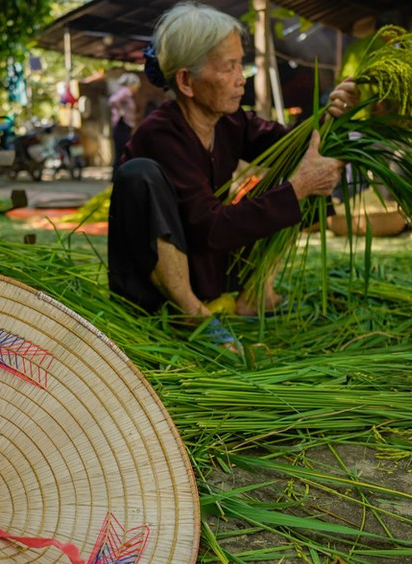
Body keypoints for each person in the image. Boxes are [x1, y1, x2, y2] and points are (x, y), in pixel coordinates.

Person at [107, 1, 358, 344]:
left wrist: (331, 115)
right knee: (138, 174)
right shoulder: (160, 134)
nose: (242, 80)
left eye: (241, 64)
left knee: (299, 176)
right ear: (186, 81)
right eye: (229, 68)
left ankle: (255, 295)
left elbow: (290, 144)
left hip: (210, 269)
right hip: (160, 289)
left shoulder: (229, 121)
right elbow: (208, 228)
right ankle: (190, 315)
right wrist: (296, 189)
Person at [108, 72, 141, 173]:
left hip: (124, 127)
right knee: (123, 153)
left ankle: (119, 177)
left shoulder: (127, 94)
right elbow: (113, 100)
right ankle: (117, 178)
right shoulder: (126, 91)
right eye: (137, 86)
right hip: (121, 126)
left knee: (122, 153)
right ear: (132, 84)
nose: (137, 89)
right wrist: (121, 112)